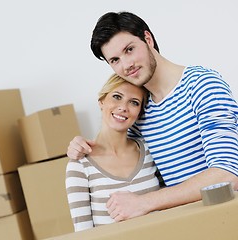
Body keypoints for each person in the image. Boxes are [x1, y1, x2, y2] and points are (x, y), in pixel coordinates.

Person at [67, 11, 238, 222]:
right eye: (115, 60)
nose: (126, 64)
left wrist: (144, 202)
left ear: (148, 39)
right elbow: (120, 151)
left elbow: (228, 174)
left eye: (129, 49)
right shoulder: (139, 109)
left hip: (226, 219)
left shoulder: (202, 85)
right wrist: (81, 145)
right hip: (186, 226)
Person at [66, 73, 162, 232]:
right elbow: (83, 234)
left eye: (134, 102)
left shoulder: (150, 151)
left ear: (139, 112)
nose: (123, 107)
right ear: (101, 101)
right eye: (117, 97)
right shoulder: (80, 164)